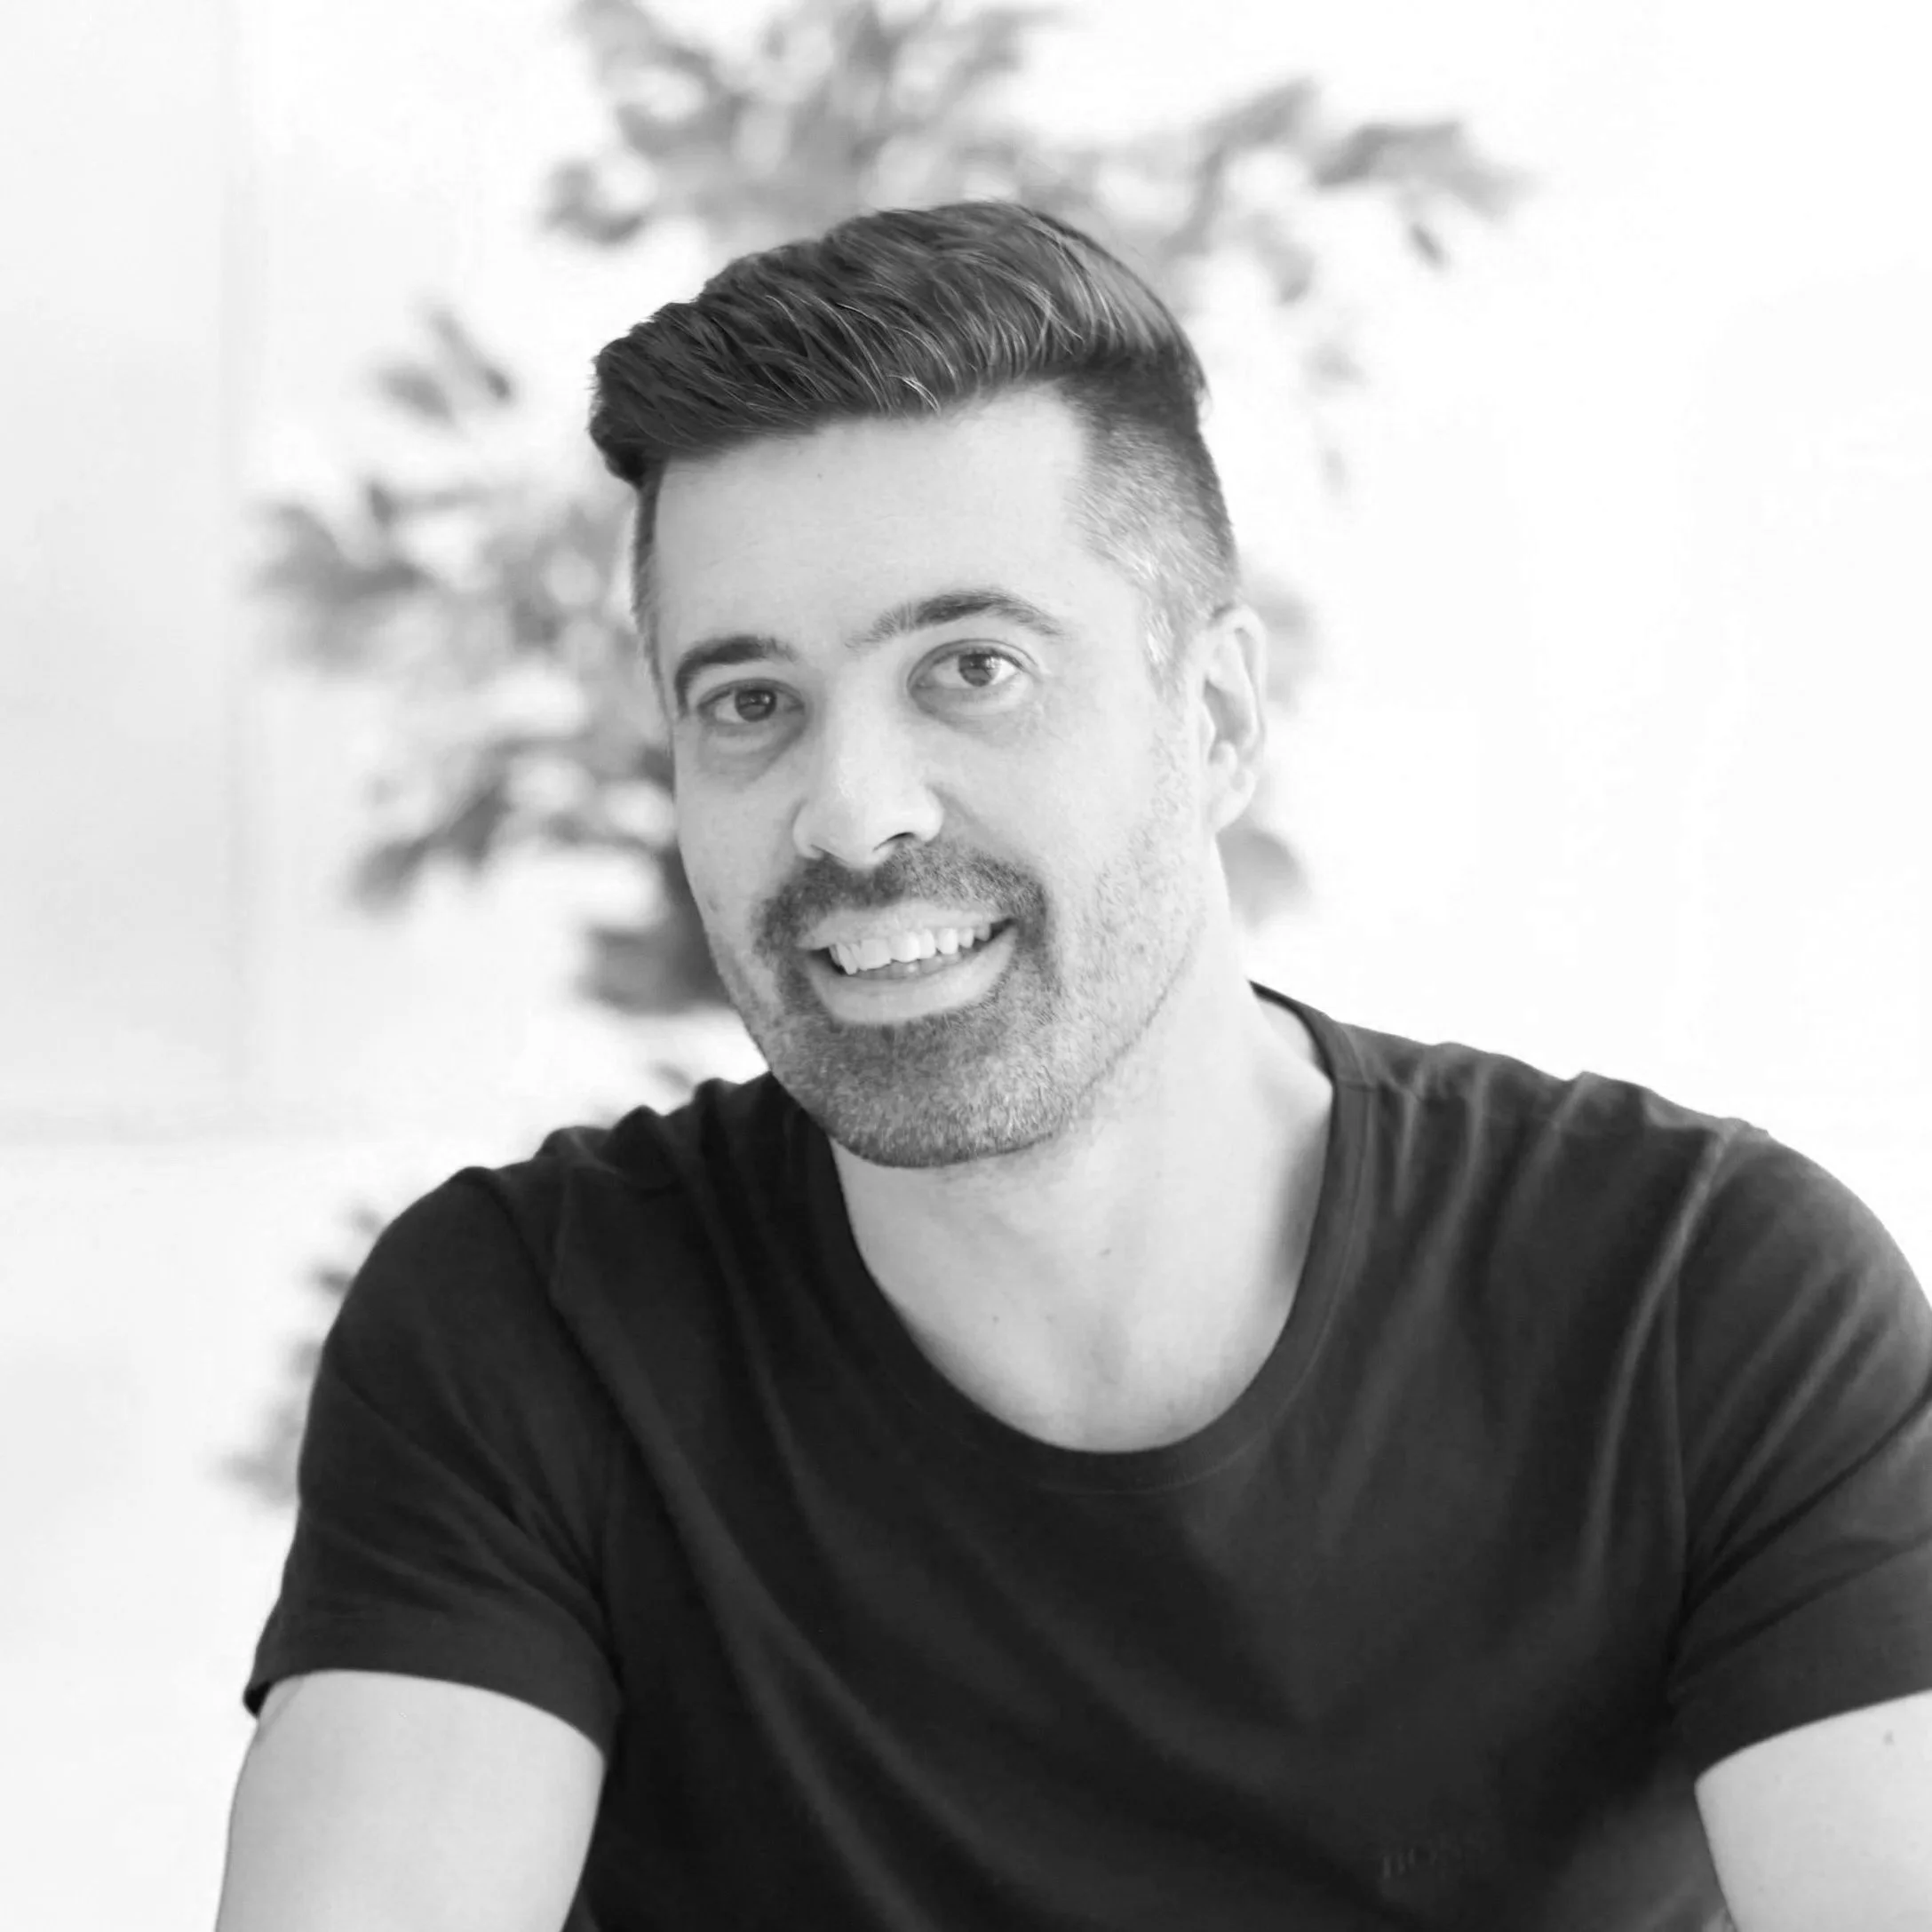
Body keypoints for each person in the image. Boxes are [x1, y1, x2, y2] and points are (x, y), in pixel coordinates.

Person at [215, 201, 1932, 1932]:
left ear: (1218, 719)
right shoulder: (533, 1331)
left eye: (972, 669)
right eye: (748, 701)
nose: (851, 805)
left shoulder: (1701, 1306)